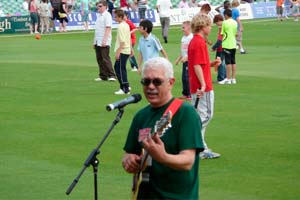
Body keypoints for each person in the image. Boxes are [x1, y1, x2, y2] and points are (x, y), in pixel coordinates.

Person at [122, 57, 204, 199]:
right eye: (146, 81)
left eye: (157, 81)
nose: (151, 86)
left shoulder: (186, 113)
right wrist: (129, 161)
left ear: (171, 83)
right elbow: (129, 153)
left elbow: (188, 161)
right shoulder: (141, 116)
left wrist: (163, 157)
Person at [188, 13, 221, 159]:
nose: (211, 28)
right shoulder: (200, 43)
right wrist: (203, 84)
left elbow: (199, 64)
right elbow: (196, 65)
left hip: (196, 84)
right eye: (209, 25)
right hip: (203, 86)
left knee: (199, 115)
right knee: (206, 115)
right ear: (203, 26)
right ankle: (193, 143)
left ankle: (199, 146)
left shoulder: (194, 41)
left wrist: (211, 64)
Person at [93, 0, 116, 82]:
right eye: (98, 6)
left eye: (100, 6)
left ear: (105, 7)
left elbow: (108, 28)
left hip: (104, 40)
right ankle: (103, 75)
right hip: (97, 40)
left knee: (105, 58)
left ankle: (112, 75)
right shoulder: (99, 15)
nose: (98, 8)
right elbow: (97, 30)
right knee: (99, 58)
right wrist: (94, 41)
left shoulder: (107, 15)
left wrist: (105, 40)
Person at [113, 9, 131, 95]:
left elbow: (123, 41)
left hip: (122, 50)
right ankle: (125, 86)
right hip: (126, 50)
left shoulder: (120, 26)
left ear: (120, 17)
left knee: (120, 69)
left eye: (116, 17)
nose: (114, 18)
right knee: (119, 68)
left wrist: (118, 52)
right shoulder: (126, 25)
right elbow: (128, 38)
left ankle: (125, 88)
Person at [175, 21, 193, 100]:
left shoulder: (191, 38)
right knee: (183, 77)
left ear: (189, 28)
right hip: (184, 61)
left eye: (183, 27)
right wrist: (178, 59)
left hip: (189, 60)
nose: (182, 29)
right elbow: (183, 50)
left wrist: (187, 57)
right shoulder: (183, 38)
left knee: (187, 77)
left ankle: (190, 94)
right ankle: (185, 93)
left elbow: (192, 51)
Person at [221, 9, 238, 84]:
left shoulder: (224, 22)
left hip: (227, 44)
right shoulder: (235, 22)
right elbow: (235, 33)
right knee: (233, 61)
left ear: (225, 15)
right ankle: (233, 79)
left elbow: (222, 33)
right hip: (233, 43)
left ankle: (228, 78)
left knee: (228, 62)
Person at [212, 14, 226, 84]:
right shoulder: (226, 26)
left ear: (219, 21)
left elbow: (219, 40)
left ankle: (221, 78)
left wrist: (214, 47)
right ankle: (224, 77)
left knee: (219, 63)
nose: (217, 24)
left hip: (221, 48)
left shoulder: (221, 28)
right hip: (226, 47)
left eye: (216, 22)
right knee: (223, 62)